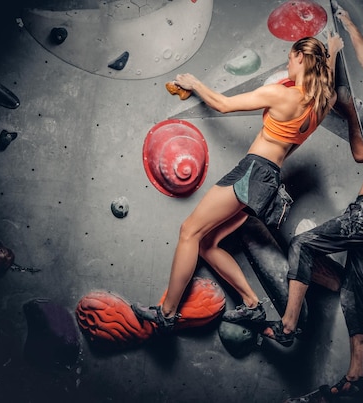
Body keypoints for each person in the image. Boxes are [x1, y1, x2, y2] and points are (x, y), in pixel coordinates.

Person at [263, 6, 363, 398]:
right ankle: (356, 376)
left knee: (302, 244)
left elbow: (360, 154)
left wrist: (351, 112)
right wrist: (349, 27)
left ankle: (288, 326)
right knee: (353, 291)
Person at [132, 33, 344, 333]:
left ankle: (166, 313)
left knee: (189, 231)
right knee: (207, 244)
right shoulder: (320, 106)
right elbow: (329, 88)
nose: (288, 64)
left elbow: (223, 104)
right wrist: (332, 52)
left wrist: (195, 84)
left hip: (252, 171)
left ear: (300, 57)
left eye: (289, 58)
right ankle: (252, 305)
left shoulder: (283, 95)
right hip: (269, 180)